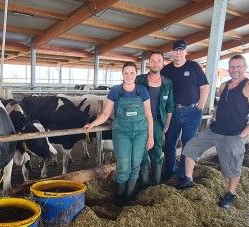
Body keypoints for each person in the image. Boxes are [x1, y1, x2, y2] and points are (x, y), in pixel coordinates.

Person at [179, 54, 249, 210]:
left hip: (233, 134)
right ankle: (188, 179)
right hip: (214, 130)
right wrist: (213, 119)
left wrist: (243, 134)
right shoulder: (224, 86)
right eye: (232, 67)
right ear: (228, 69)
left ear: (245, 68)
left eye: (239, 66)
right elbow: (220, 106)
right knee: (189, 148)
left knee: (232, 168)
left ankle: (230, 195)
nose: (235, 70)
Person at [84, 62, 154, 207]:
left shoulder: (142, 91)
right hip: (122, 132)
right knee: (123, 166)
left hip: (140, 132)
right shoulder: (116, 91)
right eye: (126, 73)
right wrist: (93, 123)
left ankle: (128, 196)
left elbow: (148, 115)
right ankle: (119, 195)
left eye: (132, 73)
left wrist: (151, 136)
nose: (129, 76)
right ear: (122, 75)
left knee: (135, 165)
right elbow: (105, 113)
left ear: (136, 74)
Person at [160, 39, 209, 181]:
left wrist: (200, 106)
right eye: (176, 50)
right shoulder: (166, 70)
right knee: (170, 143)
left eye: (181, 50)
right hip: (173, 112)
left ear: (186, 52)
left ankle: (183, 174)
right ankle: (170, 171)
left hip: (192, 112)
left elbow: (204, 87)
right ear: (172, 53)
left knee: (188, 144)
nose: (178, 53)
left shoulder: (194, 67)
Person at [136, 50, 174, 188]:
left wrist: (167, 123)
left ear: (163, 63)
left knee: (157, 151)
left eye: (159, 60)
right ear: (148, 63)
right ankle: (145, 184)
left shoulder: (167, 83)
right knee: (142, 151)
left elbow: (170, 105)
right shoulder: (139, 80)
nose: (155, 63)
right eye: (152, 60)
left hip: (158, 121)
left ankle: (156, 184)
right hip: (140, 122)